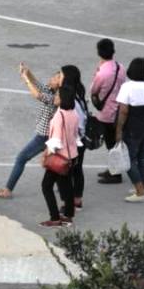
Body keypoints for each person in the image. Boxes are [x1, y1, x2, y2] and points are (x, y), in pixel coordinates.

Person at [0, 63, 63, 199]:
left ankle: (8, 189)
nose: (51, 79)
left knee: (21, 158)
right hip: (50, 135)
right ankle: (64, 188)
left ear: (60, 84)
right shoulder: (51, 91)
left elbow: (37, 94)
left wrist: (25, 79)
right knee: (55, 162)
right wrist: (26, 72)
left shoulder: (55, 99)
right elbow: (36, 83)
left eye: (55, 78)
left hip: (44, 136)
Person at [115, 58, 144, 203]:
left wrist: (119, 130)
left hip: (133, 128)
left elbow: (123, 111)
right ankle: (143, 187)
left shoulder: (127, 87)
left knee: (129, 159)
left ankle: (140, 191)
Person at [39, 85, 80, 228]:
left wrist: (45, 156)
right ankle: (68, 216)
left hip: (59, 158)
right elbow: (75, 134)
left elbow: (55, 141)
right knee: (66, 185)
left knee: (46, 186)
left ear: (62, 99)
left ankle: (55, 218)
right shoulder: (74, 113)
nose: (55, 98)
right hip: (72, 155)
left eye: (57, 96)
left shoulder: (58, 116)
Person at [89, 39, 127, 184]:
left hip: (107, 113)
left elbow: (93, 90)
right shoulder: (120, 67)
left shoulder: (102, 73)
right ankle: (113, 169)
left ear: (99, 52)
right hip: (120, 110)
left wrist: (97, 70)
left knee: (111, 144)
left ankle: (115, 173)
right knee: (114, 142)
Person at [60, 65, 88, 211]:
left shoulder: (71, 101)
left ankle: (68, 203)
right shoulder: (79, 95)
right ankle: (77, 200)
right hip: (81, 140)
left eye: (60, 75)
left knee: (67, 172)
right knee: (77, 170)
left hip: (73, 141)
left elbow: (73, 123)